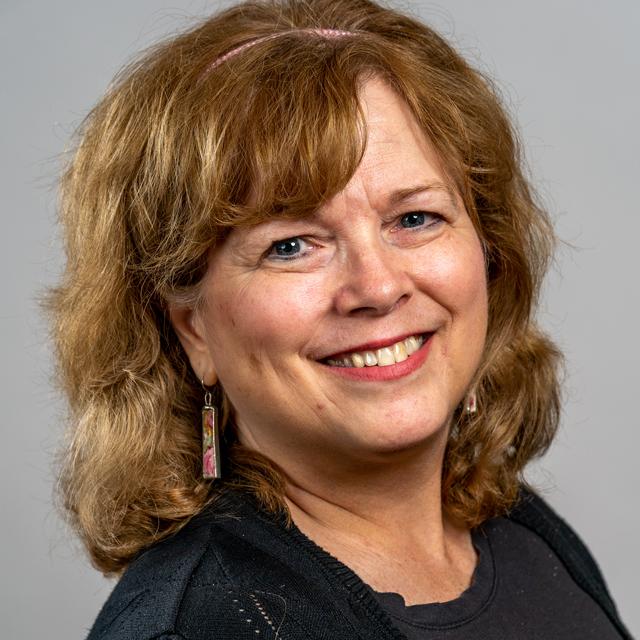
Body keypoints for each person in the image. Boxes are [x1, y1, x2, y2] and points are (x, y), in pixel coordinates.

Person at [47, 0, 632, 638]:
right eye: (291, 245)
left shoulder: (523, 532)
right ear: (192, 328)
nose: (377, 287)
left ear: (488, 250)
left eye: (415, 218)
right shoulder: (205, 625)